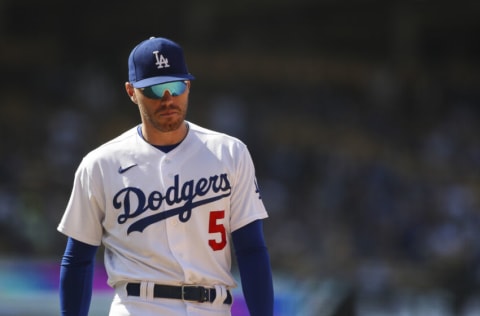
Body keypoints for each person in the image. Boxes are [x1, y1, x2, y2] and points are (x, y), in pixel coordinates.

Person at [57, 36, 274, 316]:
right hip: (138, 304)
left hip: (213, 307)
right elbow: (78, 260)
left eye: (175, 85)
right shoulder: (101, 163)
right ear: (131, 91)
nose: (168, 98)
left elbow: (251, 249)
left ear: (188, 85)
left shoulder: (230, 153)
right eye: (155, 89)